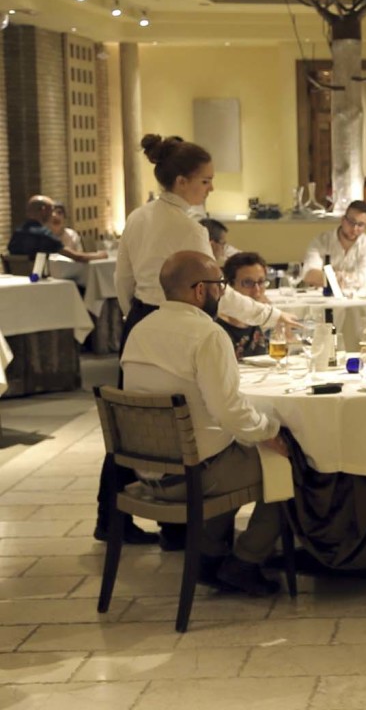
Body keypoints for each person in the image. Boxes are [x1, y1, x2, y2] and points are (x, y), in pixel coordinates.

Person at [99, 133, 299, 547]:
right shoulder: (189, 228)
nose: (211, 187)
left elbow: (123, 279)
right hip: (179, 316)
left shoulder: (138, 216)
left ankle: (119, 521)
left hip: (141, 319)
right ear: (182, 181)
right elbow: (214, 291)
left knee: (137, 418)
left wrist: (138, 318)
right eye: (206, 180)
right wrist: (270, 314)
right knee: (193, 409)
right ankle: (196, 532)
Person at [122, 250, 289, 595]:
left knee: (226, 451)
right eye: (221, 286)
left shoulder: (139, 330)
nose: (223, 293)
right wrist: (270, 432)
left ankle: (210, 556)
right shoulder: (208, 335)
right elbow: (229, 410)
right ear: (200, 290)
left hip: (147, 470)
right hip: (192, 475)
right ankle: (246, 561)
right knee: (288, 465)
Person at [301, 199, 366, 290]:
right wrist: (335, 278)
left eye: (360, 225)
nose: (354, 228)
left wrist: (334, 278)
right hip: (321, 298)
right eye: (351, 222)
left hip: (353, 299)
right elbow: (309, 274)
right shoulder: (321, 241)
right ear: (343, 220)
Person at [7, 195, 107, 263]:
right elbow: (77, 257)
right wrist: (100, 255)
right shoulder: (43, 234)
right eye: (51, 210)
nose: (52, 215)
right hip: (43, 285)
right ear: (43, 210)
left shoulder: (17, 233)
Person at [217, 252, 271, 360]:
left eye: (261, 282)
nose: (257, 291)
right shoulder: (217, 329)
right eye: (248, 283)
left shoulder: (264, 319)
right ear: (229, 286)